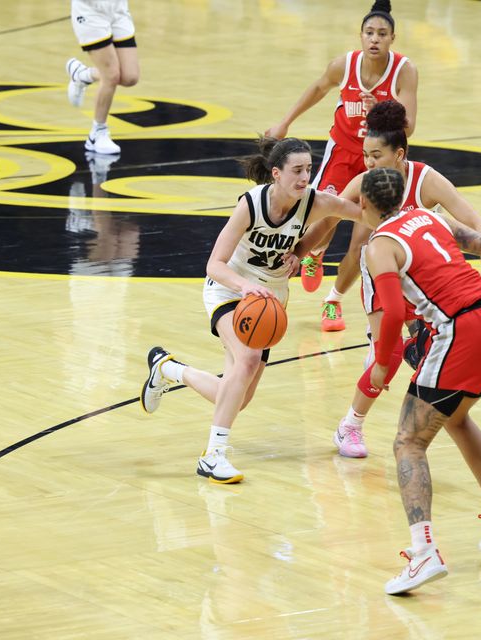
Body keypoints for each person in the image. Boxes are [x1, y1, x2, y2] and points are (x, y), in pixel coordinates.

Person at [139, 137, 362, 484]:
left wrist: (302, 250)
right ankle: (213, 456)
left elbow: (351, 213)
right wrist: (245, 286)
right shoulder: (251, 205)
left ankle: (168, 371)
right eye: (297, 171)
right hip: (230, 289)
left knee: (237, 397)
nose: (305, 177)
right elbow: (214, 264)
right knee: (247, 361)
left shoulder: (313, 202)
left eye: (308, 170)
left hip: (269, 301)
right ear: (276, 173)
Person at [357, 168, 481, 595]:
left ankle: (424, 553)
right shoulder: (429, 216)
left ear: (365, 206)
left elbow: (393, 314)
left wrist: (381, 365)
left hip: (464, 331)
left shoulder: (380, 246)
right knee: (455, 417)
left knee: (407, 442)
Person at [293, 100, 481, 459]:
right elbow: (329, 218)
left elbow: (476, 224)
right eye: (365, 155)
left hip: (426, 280)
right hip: (383, 271)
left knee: (431, 356)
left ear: (399, 154)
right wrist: (303, 251)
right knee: (385, 354)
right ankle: (350, 426)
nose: (368, 163)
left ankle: (432, 421)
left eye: (376, 156)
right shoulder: (364, 181)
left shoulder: (427, 179)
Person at [265, 0, 418, 331]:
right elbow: (318, 88)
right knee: (327, 215)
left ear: (393, 38)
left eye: (382, 34)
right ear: (360, 35)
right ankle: (316, 254)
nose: (374, 39)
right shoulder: (343, 65)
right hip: (343, 152)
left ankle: (332, 300)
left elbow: (410, 127)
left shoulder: (405, 70)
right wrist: (284, 123)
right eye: (369, 33)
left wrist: (382, 110)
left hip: (378, 162)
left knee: (362, 243)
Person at [65, 0, 140, 154]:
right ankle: (97, 133)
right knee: (111, 76)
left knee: (130, 77)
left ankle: (82, 75)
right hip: (90, 11)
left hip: (117, 9)